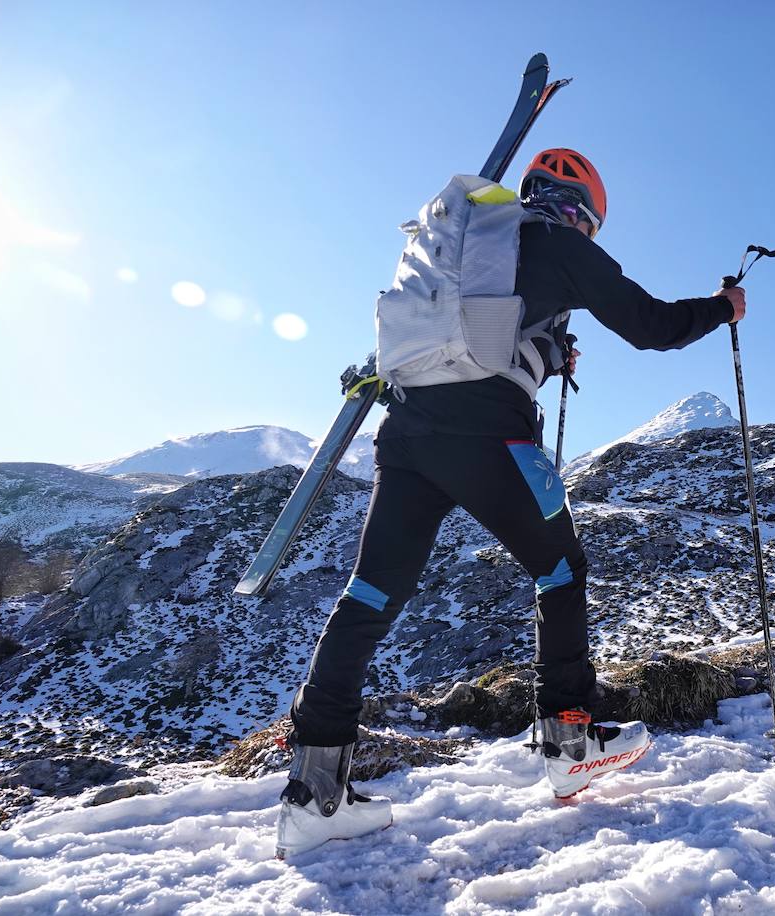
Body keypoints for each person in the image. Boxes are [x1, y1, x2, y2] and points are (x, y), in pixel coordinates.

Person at [275, 149, 747, 857]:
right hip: (490, 433)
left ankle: (315, 791)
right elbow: (652, 326)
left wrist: (552, 354)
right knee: (561, 569)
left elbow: (482, 339)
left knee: (370, 595)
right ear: (581, 211)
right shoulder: (556, 241)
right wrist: (723, 307)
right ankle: (568, 738)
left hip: (408, 432)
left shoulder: (467, 250)